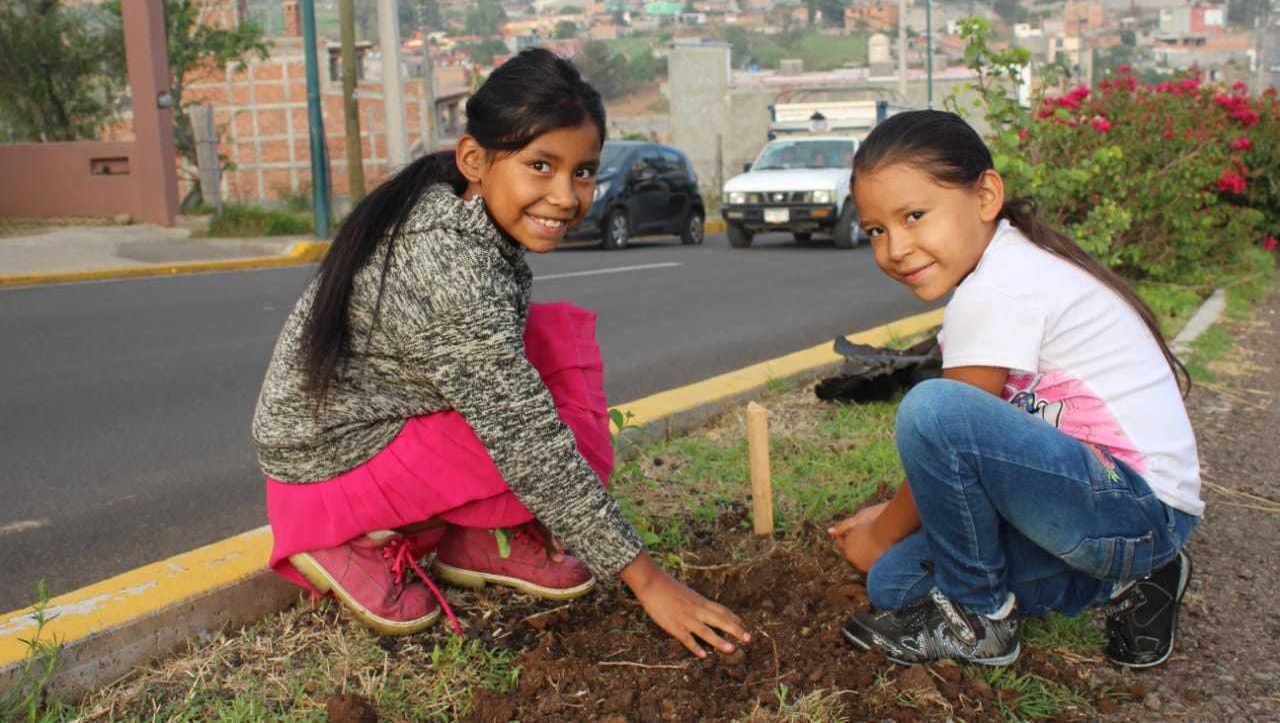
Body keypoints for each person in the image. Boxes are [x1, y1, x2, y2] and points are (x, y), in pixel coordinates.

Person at [251, 48, 750, 659]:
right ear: (474, 160)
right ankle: (344, 541)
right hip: (329, 466)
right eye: (540, 166)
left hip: (373, 429)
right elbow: (526, 441)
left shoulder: (468, 219)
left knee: (549, 347)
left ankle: (477, 537)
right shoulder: (448, 259)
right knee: (553, 428)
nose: (566, 196)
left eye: (584, 172)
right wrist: (650, 583)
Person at [829, 109, 1201, 669]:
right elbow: (980, 455)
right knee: (897, 582)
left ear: (985, 196)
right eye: (877, 230)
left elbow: (953, 429)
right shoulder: (1008, 262)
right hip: (1106, 513)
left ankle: (979, 621)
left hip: (1133, 507)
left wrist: (880, 531)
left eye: (914, 215)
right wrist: (891, 529)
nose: (896, 248)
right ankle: (1137, 578)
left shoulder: (995, 289)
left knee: (932, 409)